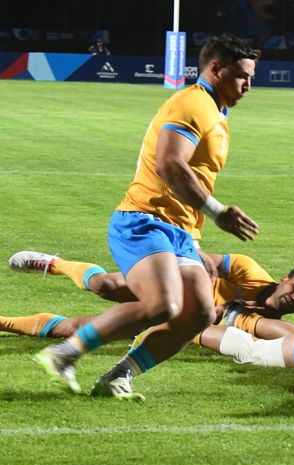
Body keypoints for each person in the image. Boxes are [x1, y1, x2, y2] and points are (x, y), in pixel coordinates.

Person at [33, 34, 261, 401]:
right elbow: (170, 164)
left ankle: (118, 376)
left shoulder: (217, 112)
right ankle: (64, 353)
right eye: (241, 76)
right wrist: (218, 212)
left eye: (251, 77)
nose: (248, 85)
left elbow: (194, 177)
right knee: (162, 305)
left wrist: (194, 241)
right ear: (216, 68)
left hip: (179, 232)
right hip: (144, 220)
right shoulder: (193, 103)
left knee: (200, 313)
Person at [4, 250, 294, 340]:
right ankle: (55, 264)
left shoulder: (264, 326)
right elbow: (196, 255)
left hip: (172, 318)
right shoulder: (249, 270)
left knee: (76, 329)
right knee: (103, 285)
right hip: (169, 283)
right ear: (285, 279)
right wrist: (202, 272)